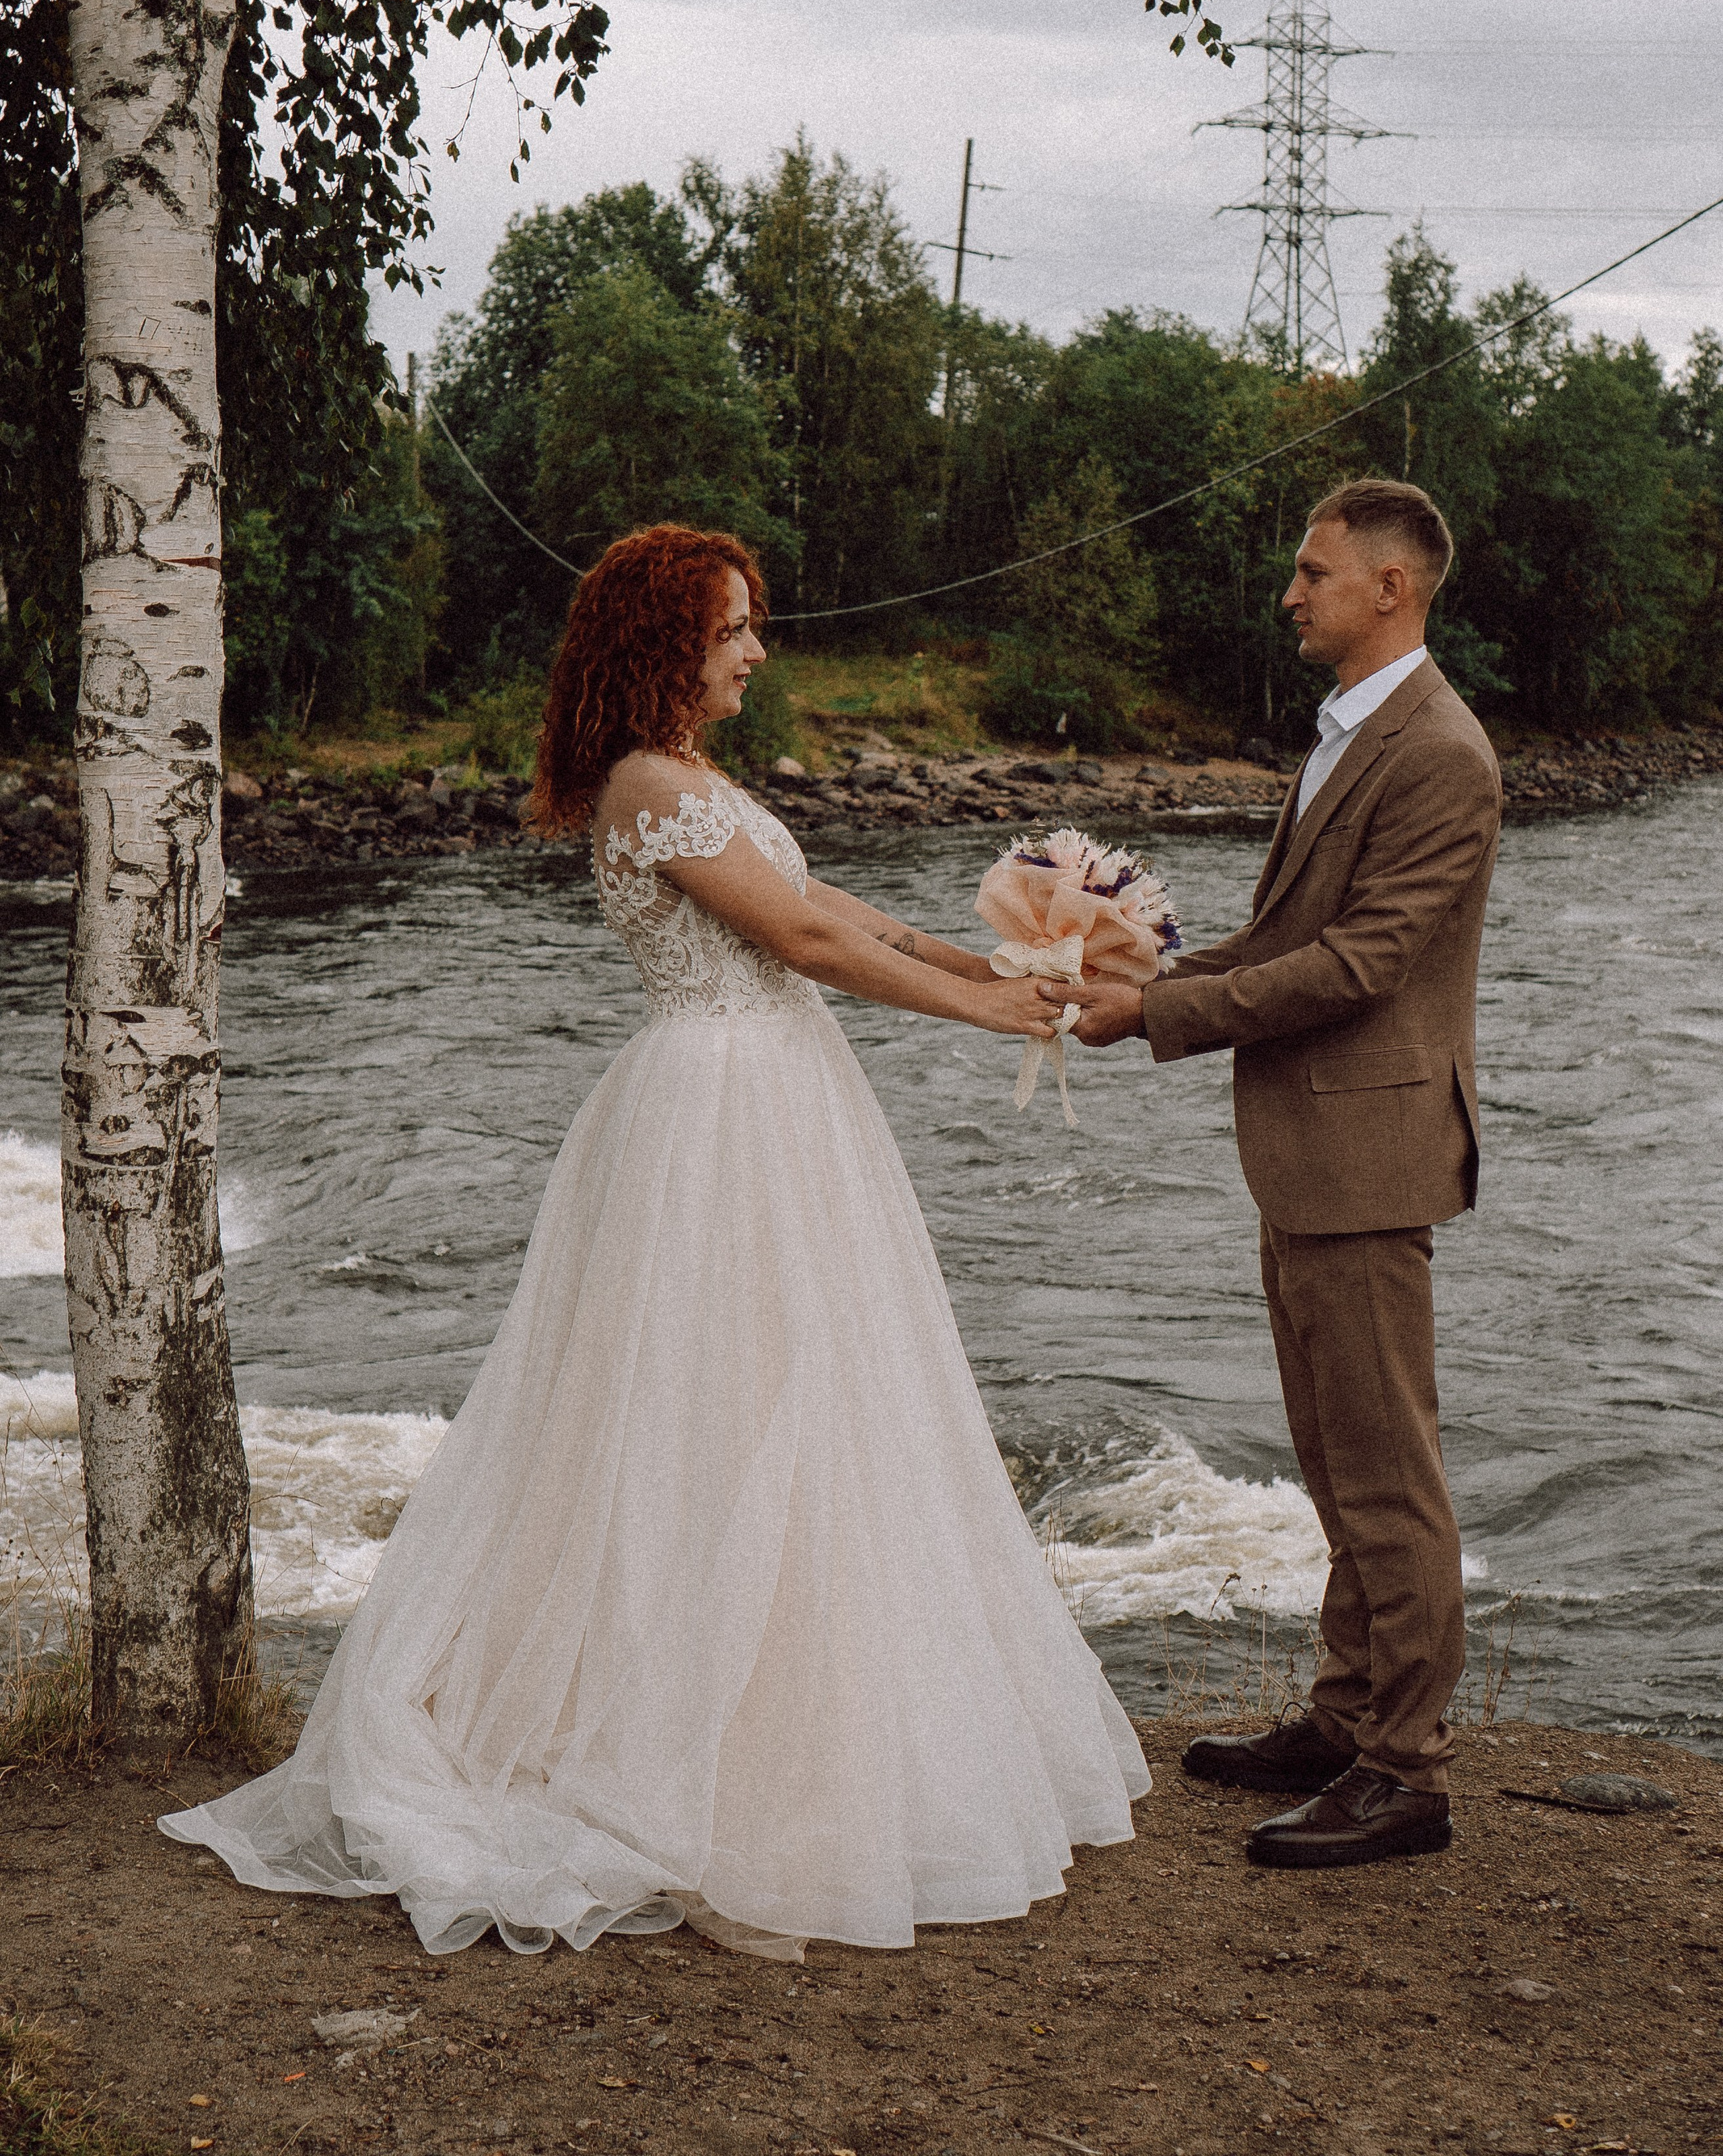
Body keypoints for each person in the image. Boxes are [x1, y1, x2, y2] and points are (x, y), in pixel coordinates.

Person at [162, 523, 1148, 1957]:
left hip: (779, 1097)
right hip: (717, 1110)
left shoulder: (694, 779)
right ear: (664, 642)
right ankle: (687, 1753)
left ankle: (791, 1723)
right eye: (735, 627)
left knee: (807, 1404)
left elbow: (824, 909)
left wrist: (987, 957)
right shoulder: (644, 786)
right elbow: (802, 951)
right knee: (716, 1406)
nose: (756, 649)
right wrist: (984, 1016)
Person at [1056, 478, 1500, 1871]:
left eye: (1312, 573)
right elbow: (1279, 932)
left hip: (1367, 1158)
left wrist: (1161, 1016)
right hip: (1313, 1151)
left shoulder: (1437, 750)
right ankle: (1344, 1716)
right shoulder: (1349, 734)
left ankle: (1406, 1775)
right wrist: (1144, 974)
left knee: (1386, 1477)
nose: (1289, 594)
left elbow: (1362, 961)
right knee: (1331, 1463)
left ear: (1391, 587)